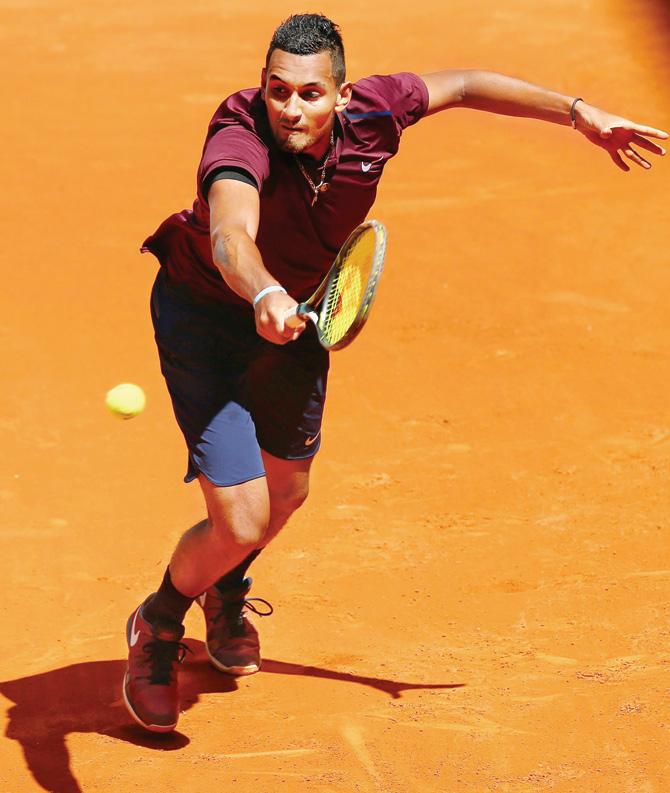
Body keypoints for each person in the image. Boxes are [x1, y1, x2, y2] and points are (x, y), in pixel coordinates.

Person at [122, 13, 667, 733]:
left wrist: (578, 114)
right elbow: (229, 231)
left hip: (298, 318)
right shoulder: (238, 131)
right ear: (262, 87)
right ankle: (159, 620)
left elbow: (467, 84)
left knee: (286, 492)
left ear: (343, 97)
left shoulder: (379, 111)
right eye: (278, 90)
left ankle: (222, 586)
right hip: (208, 316)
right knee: (245, 514)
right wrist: (261, 291)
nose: (291, 108)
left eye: (310, 94)